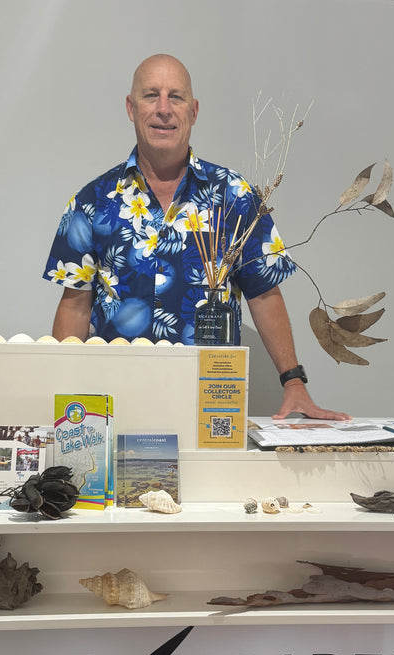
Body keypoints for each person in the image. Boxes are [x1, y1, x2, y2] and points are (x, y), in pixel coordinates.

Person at [43, 54, 349, 421]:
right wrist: (61, 406)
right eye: (150, 95)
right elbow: (75, 305)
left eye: (176, 97)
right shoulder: (91, 202)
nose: (163, 109)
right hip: (112, 408)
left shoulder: (234, 196)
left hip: (210, 407)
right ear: (130, 107)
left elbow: (264, 293)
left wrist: (294, 383)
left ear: (194, 110)